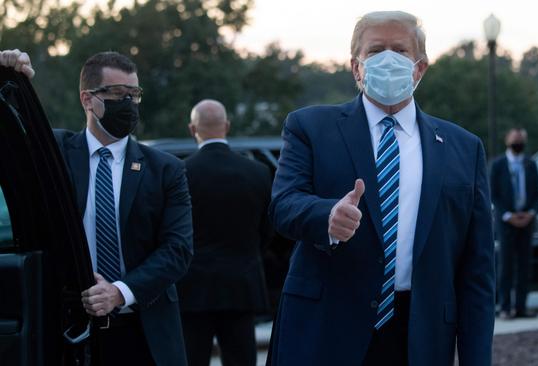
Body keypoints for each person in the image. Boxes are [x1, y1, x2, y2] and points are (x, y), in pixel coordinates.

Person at [267, 11, 495, 366]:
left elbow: (477, 270)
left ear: (420, 67)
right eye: (375, 51)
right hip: (326, 329)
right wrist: (326, 216)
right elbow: (283, 205)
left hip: (420, 334)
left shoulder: (463, 147)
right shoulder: (310, 127)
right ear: (356, 67)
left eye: (400, 50)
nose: (388, 59)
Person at [0, 49, 193, 365]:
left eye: (135, 95)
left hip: (143, 332)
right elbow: (12, 140)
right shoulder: (56, 152)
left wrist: (119, 291)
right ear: (88, 99)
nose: (129, 104)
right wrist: (13, 80)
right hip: (68, 330)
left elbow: (178, 249)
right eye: (118, 94)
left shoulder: (165, 169)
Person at [177, 99, 273, 366]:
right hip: (241, 285)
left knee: (192, 359)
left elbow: (173, 233)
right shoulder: (258, 172)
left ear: (191, 128)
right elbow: (267, 230)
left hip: (192, 287)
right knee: (241, 359)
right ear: (227, 126)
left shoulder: (180, 172)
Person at [490, 128, 538, 319]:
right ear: (507, 140)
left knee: (524, 265)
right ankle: (504, 307)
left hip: (526, 221)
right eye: (515, 139)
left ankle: (521, 306)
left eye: (521, 140)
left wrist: (530, 213)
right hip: (506, 223)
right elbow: (492, 193)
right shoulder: (498, 165)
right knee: (505, 265)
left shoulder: (530, 164)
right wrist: (507, 215)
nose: (518, 143)